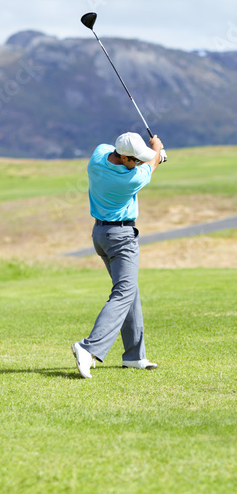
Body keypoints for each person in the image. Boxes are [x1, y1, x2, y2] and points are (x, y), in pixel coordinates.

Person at [72, 132, 164, 378]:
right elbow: (151, 166)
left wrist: (151, 154)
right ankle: (88, 347)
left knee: (129, 290)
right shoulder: (130, 180)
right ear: (123, 157)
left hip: (100, 235)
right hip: (121, 238)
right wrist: (158, 151)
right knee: (123, 293)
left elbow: (145, 161)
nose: (137, 163)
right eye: (134, 159)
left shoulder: (98, 156)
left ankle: (134, 356)